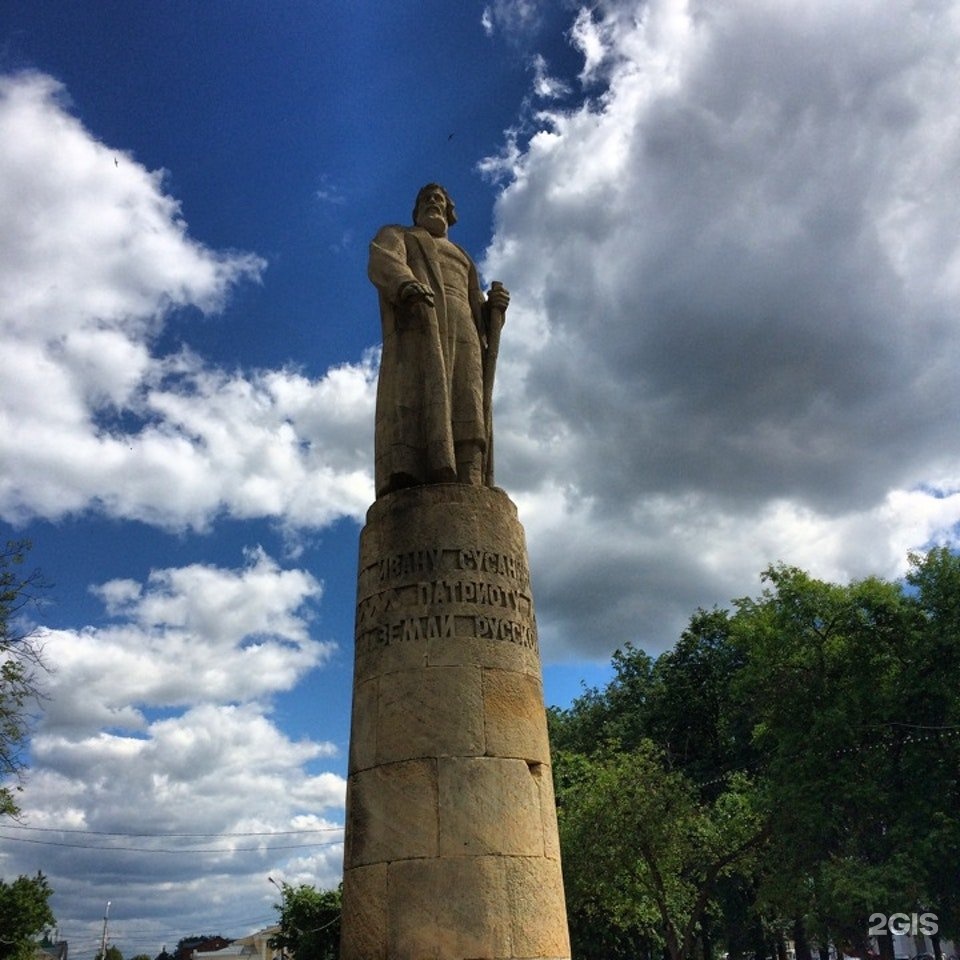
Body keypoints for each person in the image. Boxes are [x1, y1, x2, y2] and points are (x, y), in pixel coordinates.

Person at [368, 183, 510, 498]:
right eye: (426, 199)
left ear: (449, 211)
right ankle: (416, 474)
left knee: (468, 400)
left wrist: (493, 310)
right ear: (417, 210)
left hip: (466, 333)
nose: (433, 202)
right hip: (423, 327)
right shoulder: (401, 235)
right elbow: (383, 259)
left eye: (439, 199)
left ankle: (470, 477)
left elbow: (477, 305)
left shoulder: (463, 257)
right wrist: (405, 283)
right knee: (418, 398)